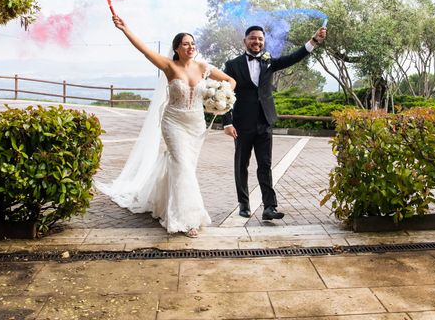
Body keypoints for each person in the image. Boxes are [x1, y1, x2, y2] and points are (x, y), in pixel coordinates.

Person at [96, 15, 236, 237]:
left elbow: (230, 81)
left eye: (192, 43)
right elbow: (144, 50)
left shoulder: (203, 67)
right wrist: (125, 28)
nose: (190, 46)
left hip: (196, 125)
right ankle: (188, 219)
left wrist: (219, 100)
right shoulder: (169, 66)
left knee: (186, 167)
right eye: (185, 44)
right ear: (177, 48)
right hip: (174, 122)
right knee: (182, 165)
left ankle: (162, 202)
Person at [222, 24, 326, 220]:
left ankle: (269, 207)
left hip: (264, 122)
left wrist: (313, 41)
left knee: (265, 165)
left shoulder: (268, 61)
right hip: (241, 124)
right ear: (245, 41)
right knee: (241, 164)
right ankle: (243, 204)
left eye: (260, 39)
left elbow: (293, 58)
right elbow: (224, 94)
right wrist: (227, 122)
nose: (257, 41)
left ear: (264, 41)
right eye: (253, 38)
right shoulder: (232, 65)